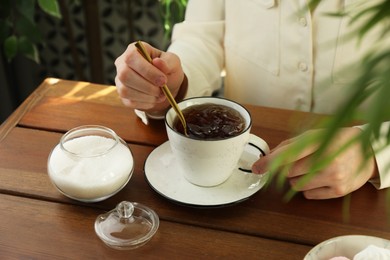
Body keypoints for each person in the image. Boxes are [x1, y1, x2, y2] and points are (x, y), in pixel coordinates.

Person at [114, 0, 390, 199]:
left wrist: (374, 152)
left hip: (364, 192)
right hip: (237, 176)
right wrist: (174, 84)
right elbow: (203, 36)